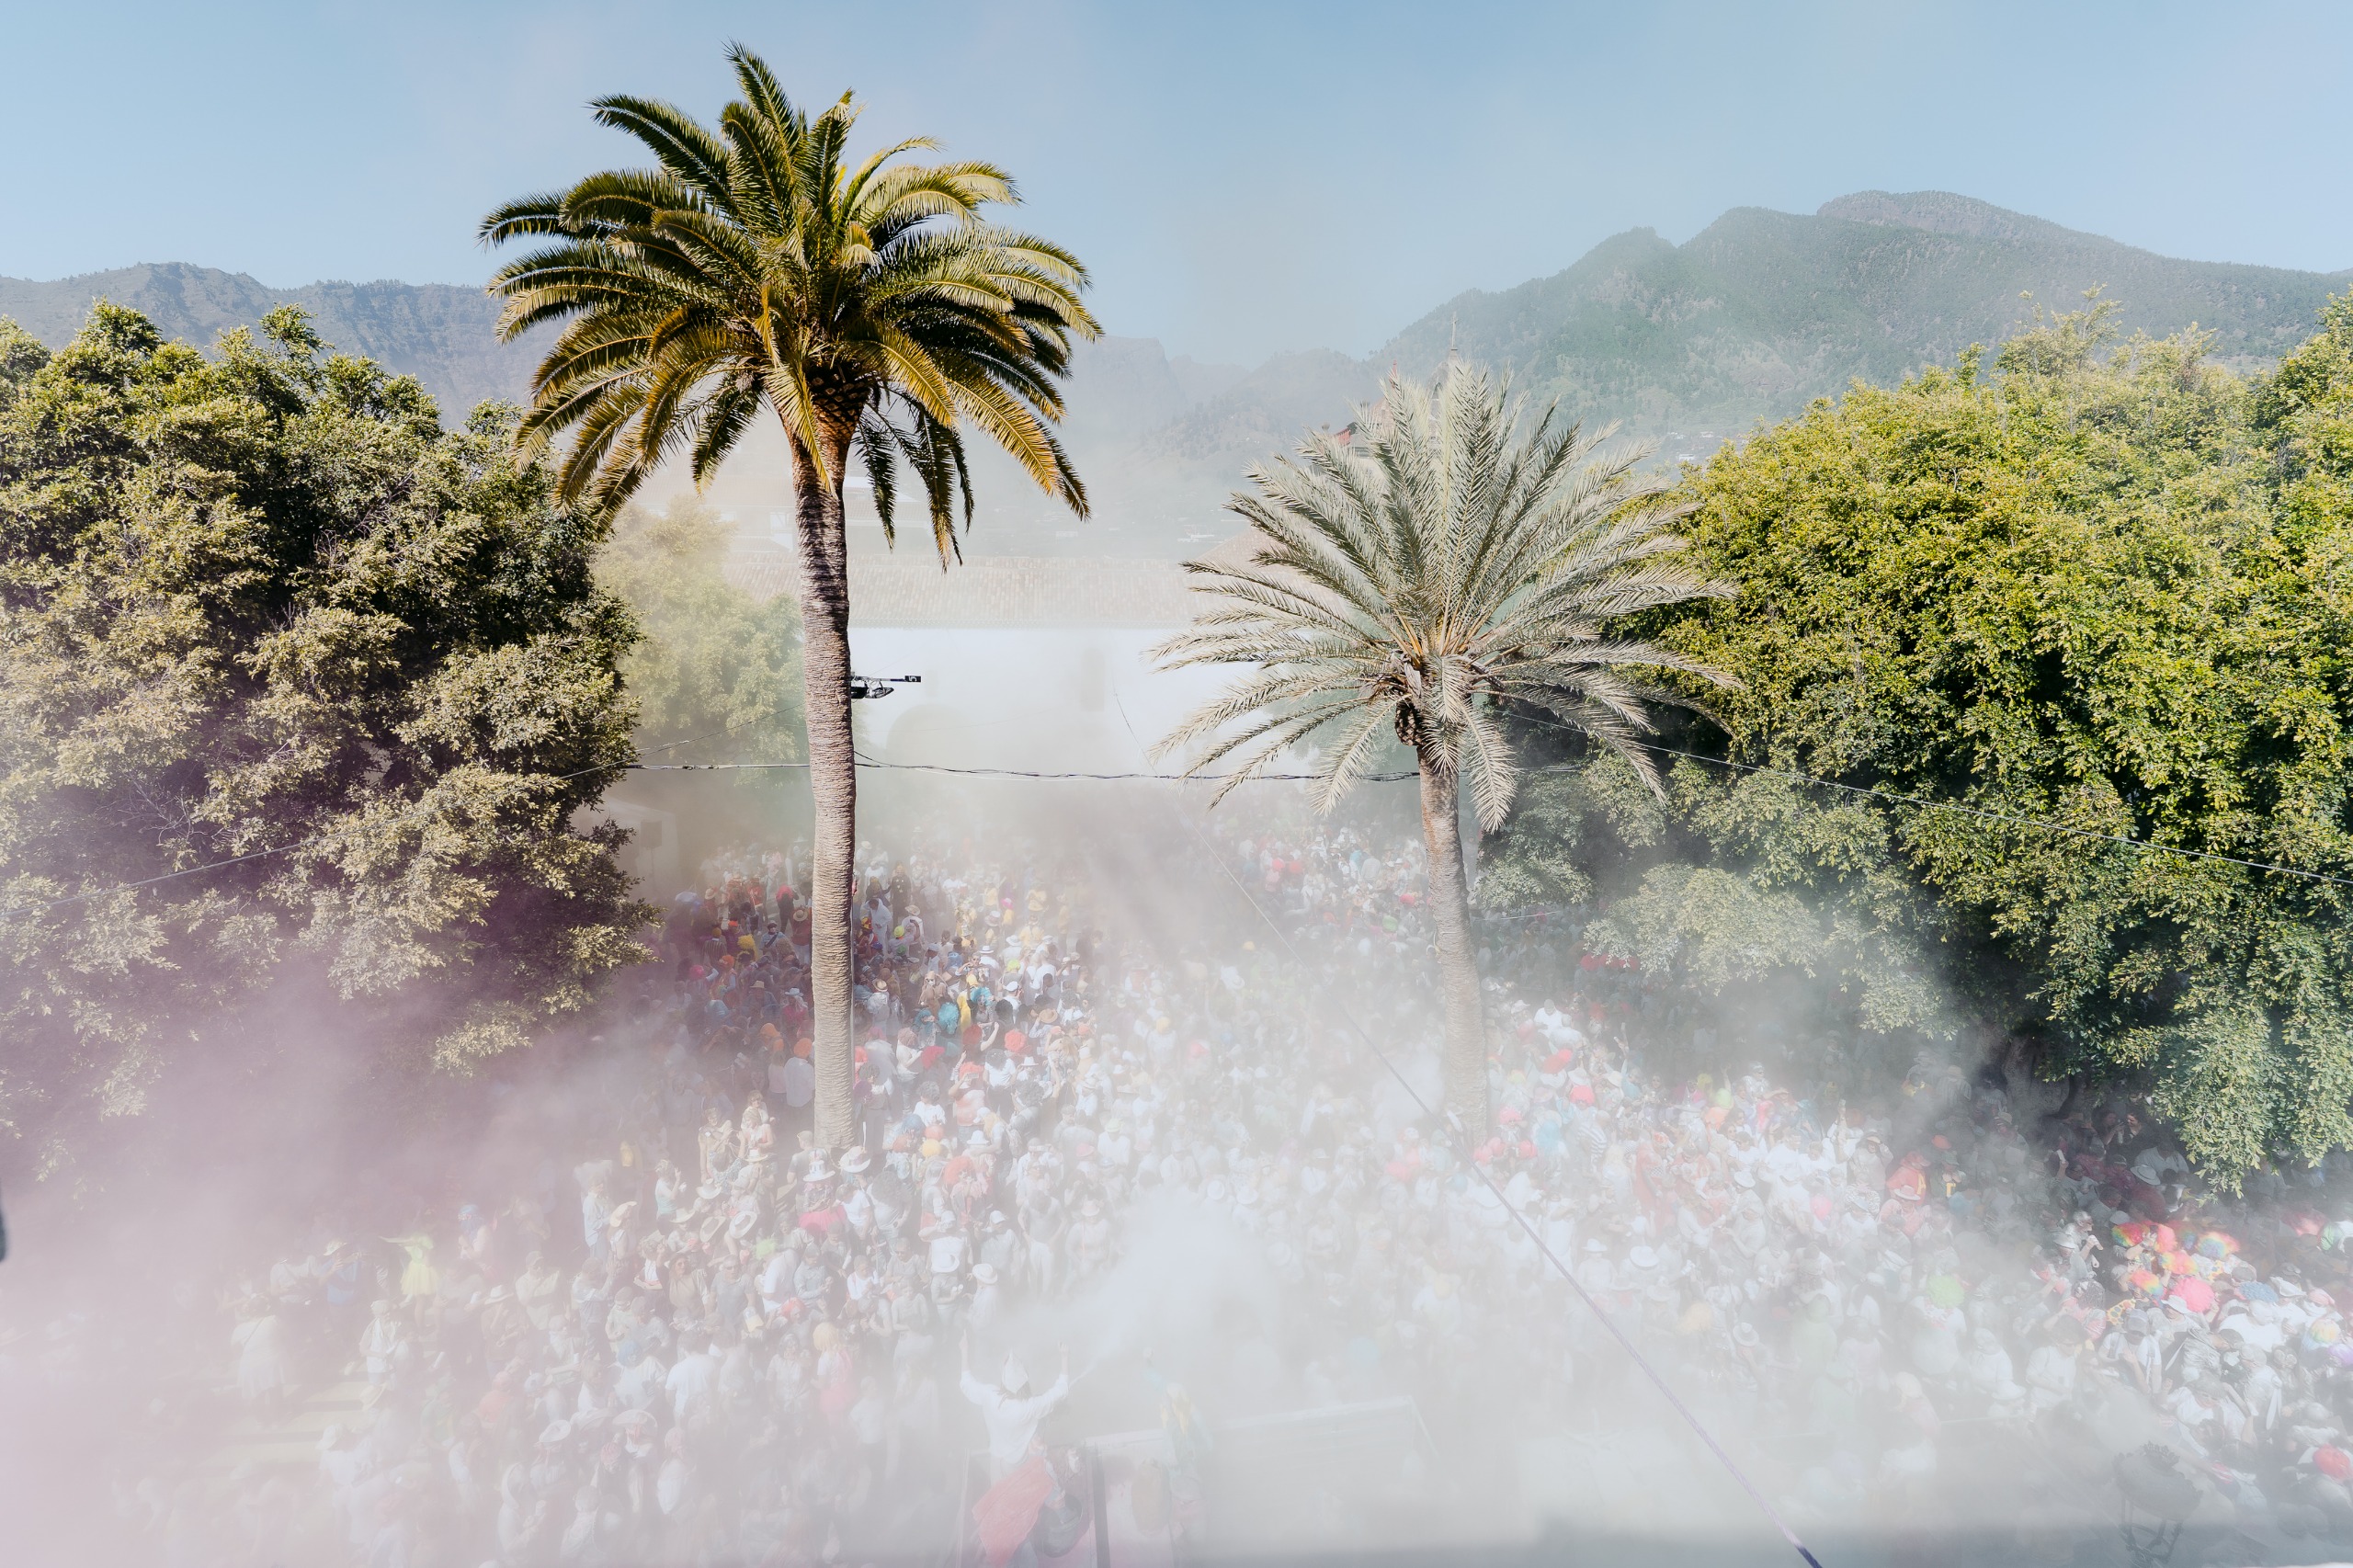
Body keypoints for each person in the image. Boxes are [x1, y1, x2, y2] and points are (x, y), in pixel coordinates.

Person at [958, 1333, 1072, 1479]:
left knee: (1000, 1494)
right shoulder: (1028, 1407)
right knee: (1018, 1492)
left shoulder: (990, 1395)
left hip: (996, 1457)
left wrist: (964, 1350)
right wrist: (1064, 1356)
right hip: (1016, 1463)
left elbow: (966, 1383)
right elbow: (1061, 1390)